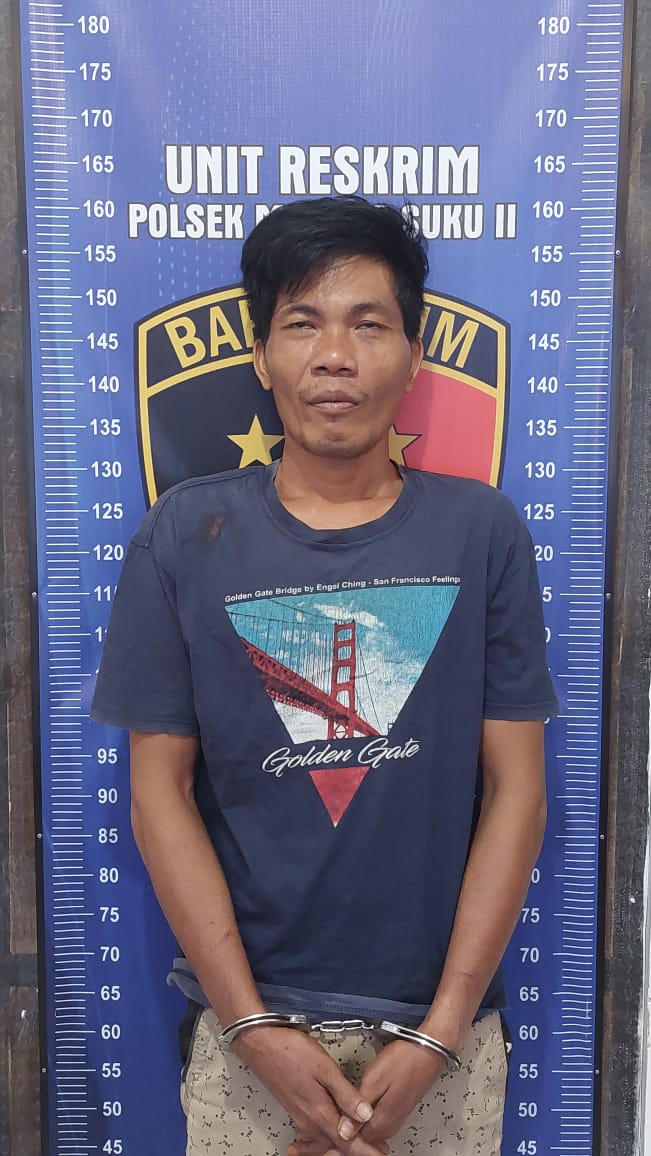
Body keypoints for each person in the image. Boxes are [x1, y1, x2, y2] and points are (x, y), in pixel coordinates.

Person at [91, 195, 558, 1156]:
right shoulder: (183, 536)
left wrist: (440, 1029)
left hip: (442, 1040)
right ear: (261, 356)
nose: (334, 356)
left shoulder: (482, 534)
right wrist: (250, 1024)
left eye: (367, 324)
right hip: (250, 1036)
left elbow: (517, 787)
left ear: (413, 355)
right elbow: (157, 792)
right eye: (302, 323)